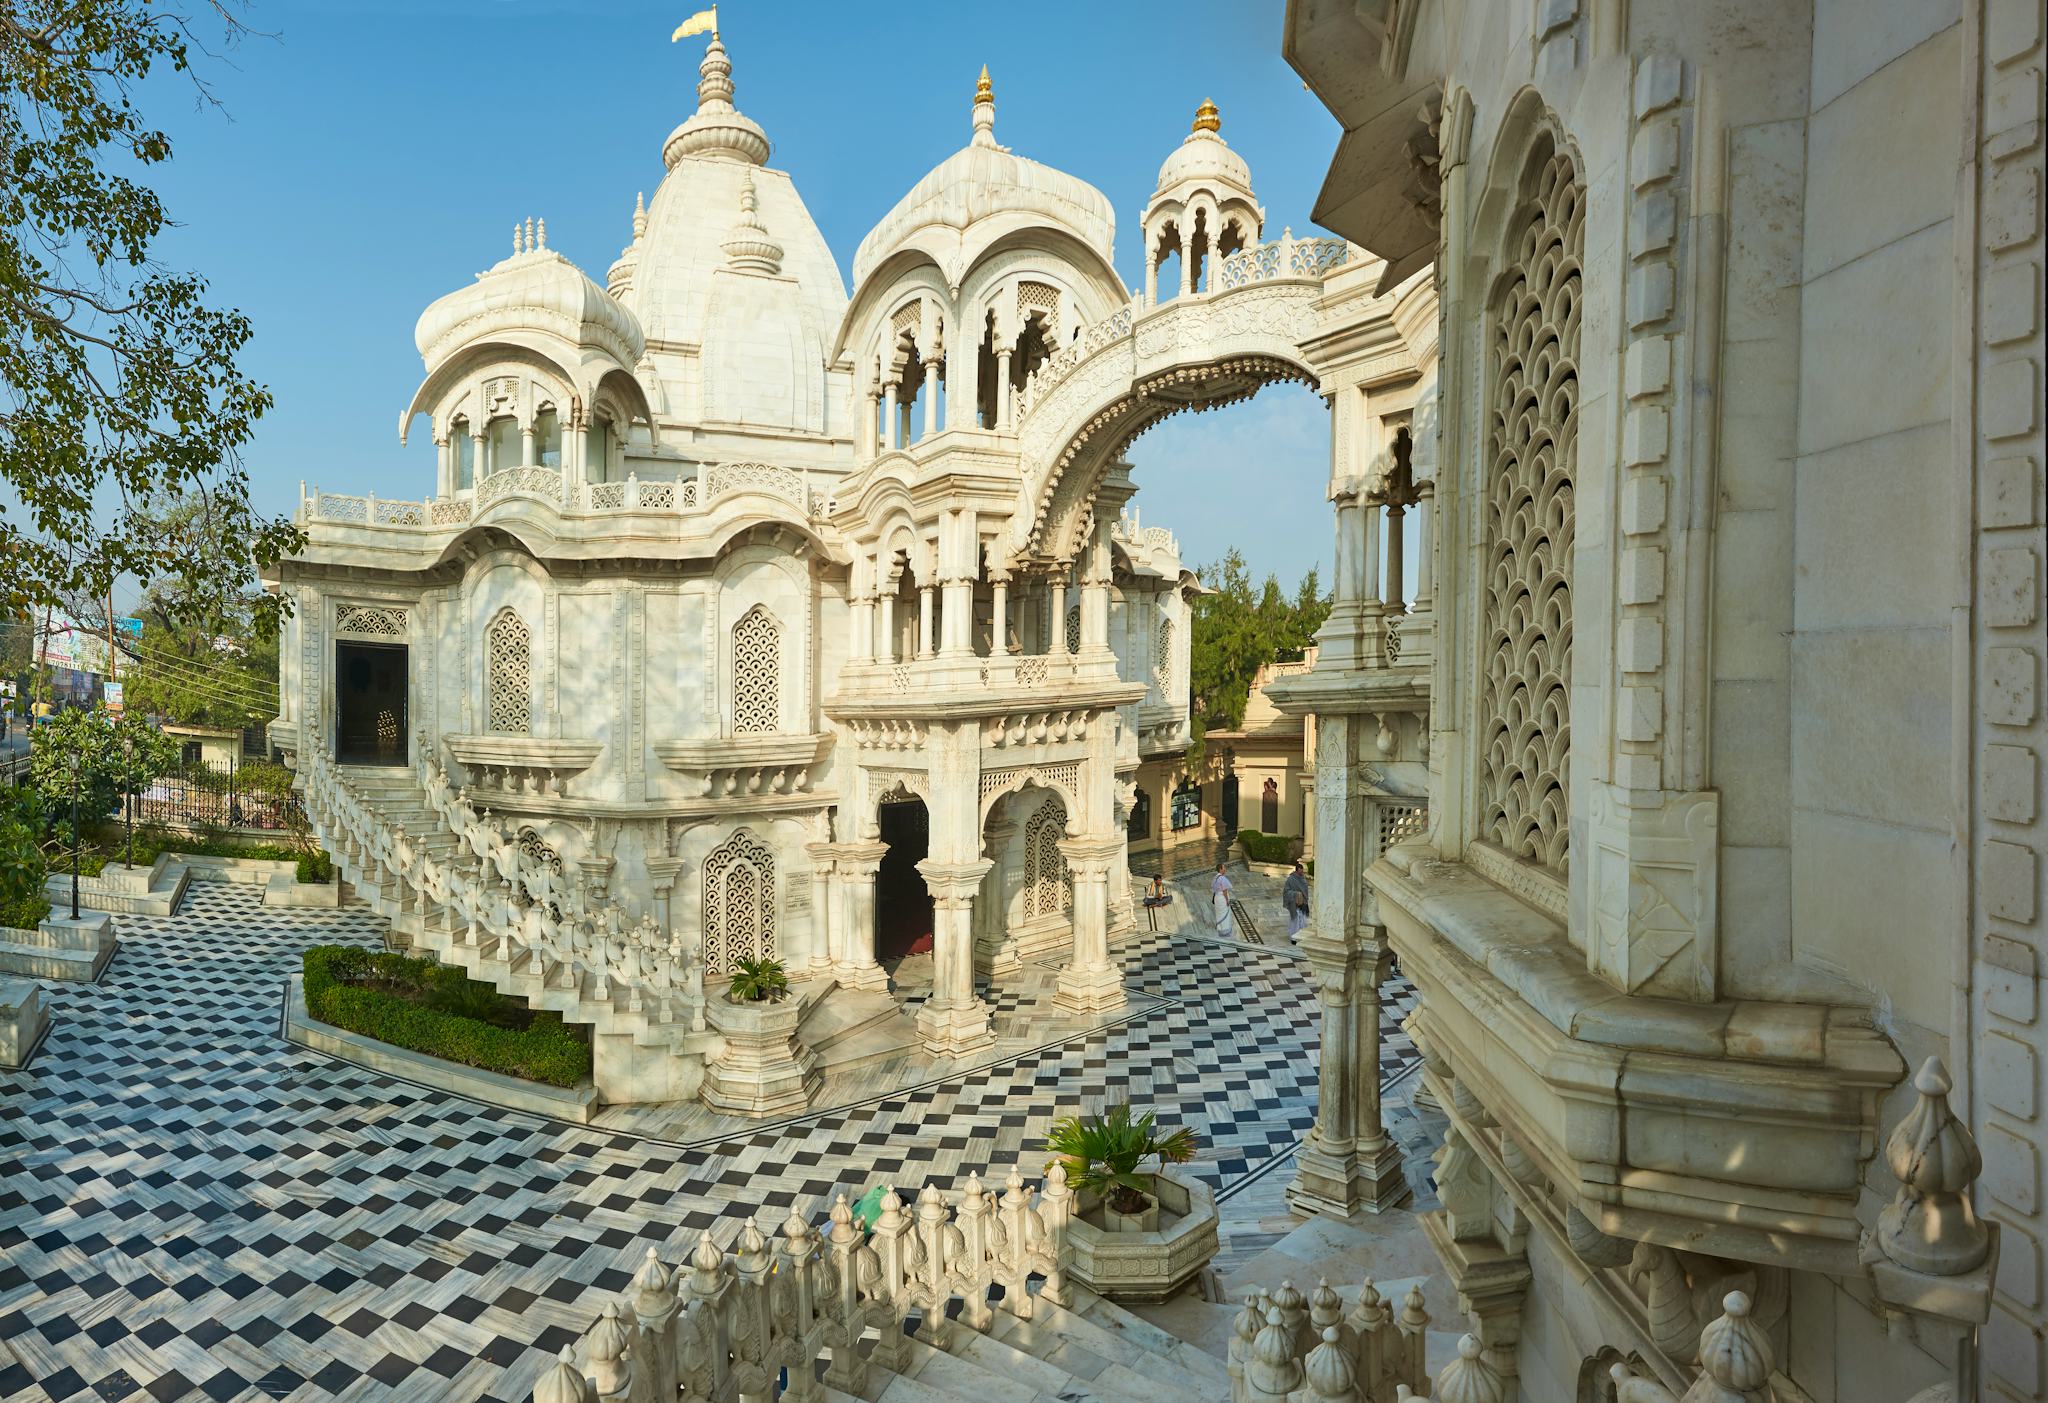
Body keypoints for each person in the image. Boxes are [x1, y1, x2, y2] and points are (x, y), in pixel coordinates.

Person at [1283, 861, 1311, 942]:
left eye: (1302, 871)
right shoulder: (1290, 879)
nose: (1301, 873)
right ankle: (1294, 938)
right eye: (1300, 871)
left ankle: (1301, 937)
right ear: (1296, 870)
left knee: (1302, 920)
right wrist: (1296, 894)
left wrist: (1304, 898)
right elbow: (1286, 891)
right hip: (1294, 903)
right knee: (1295, 921)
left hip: (1303, 904)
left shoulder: (1303, 878)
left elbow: (1305, 890)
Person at [1211, 861, 1234, 938]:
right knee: (1224, 913)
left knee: (1219, 914)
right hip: (1222, 898)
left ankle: (1220, 929)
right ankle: (1225, 931)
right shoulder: (1222, 878)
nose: (1225, 869)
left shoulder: (1215, 878)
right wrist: (1227, 900)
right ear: (1220, 869)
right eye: (1224, 868)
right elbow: (1224, 891)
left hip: (1217, 898)